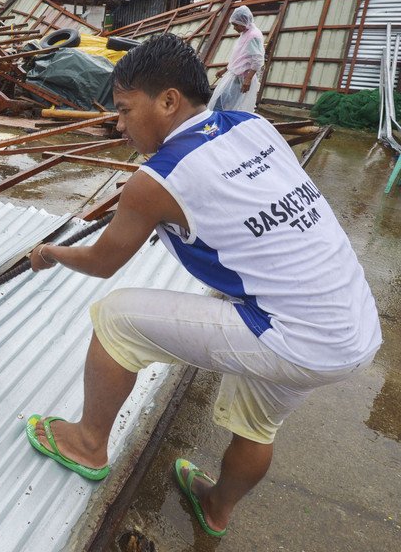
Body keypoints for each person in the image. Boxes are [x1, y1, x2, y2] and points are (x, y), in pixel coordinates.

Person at [25, 34, 381, 537]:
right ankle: (215, 509)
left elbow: (104, 262)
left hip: (294, 333)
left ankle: (86, 442)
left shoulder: (156, 180)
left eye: (125, 110)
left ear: (169, 100)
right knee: (257, 423)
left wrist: (50, 253)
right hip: (355, 328)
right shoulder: (255, 125)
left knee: (116, 318)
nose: (119, 124)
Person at [209, 5, 265, 112]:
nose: (234, 28)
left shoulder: (253, 36)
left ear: (244, 22)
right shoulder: (245, 32)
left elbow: (257, 60)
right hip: (235, 75)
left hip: (241, 78)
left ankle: (218, 125)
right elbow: (240, 56)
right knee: (223, 103)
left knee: (223, 105)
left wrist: (248, 79)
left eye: (236, 25)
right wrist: (225, 69)